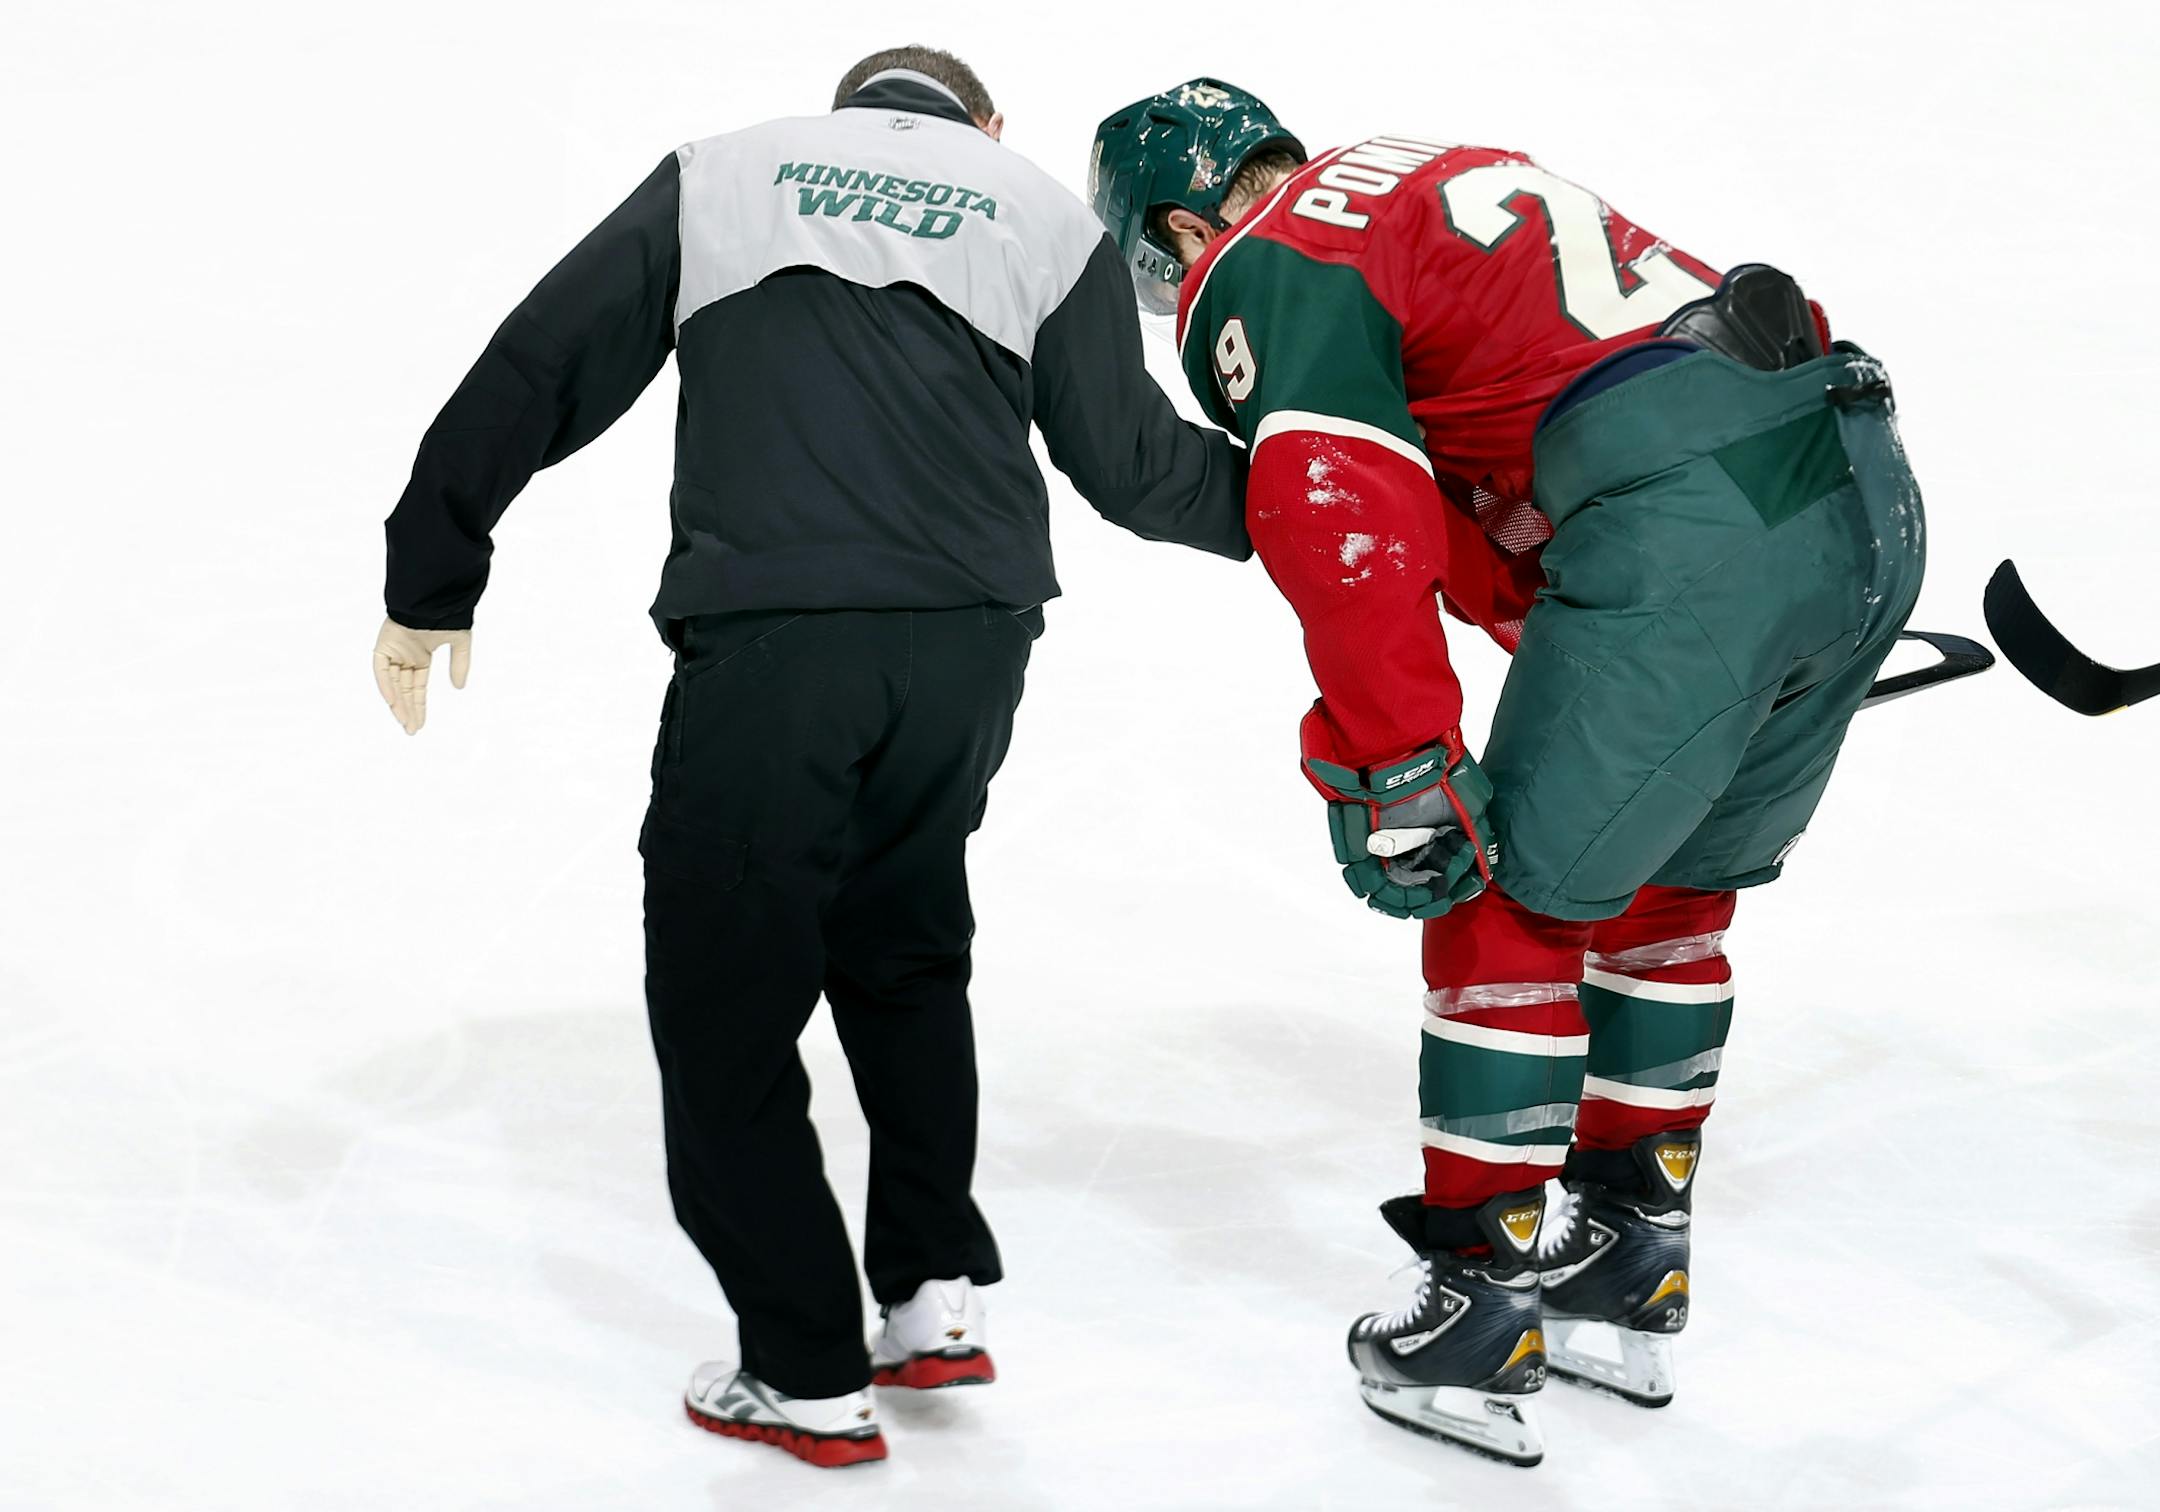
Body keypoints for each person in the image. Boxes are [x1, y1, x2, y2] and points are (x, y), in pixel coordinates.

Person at [375, 48, 1251, 1469]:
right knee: (903, 949)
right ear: (985, 125)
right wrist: (1346, 503)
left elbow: (544, 362)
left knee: (726, 998)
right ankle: (924, 1302)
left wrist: (433, 567)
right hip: (971, 649)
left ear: (846, 111)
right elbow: (1140, 468)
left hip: (780, 642)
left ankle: (804, 1367)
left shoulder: (723, 174)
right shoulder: (1035, 211)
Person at [1089, 81, 1924, 1464]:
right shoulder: (1426, 177)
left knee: (1502, 891)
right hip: (1853, 485)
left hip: (1693, 524)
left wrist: (1396, 752)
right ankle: (1625, 1268)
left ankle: (1477, 1310)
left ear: (1184, 222)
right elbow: (1512, 467)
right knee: (1667, 888)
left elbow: (1333, 497)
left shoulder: (1264, 259)